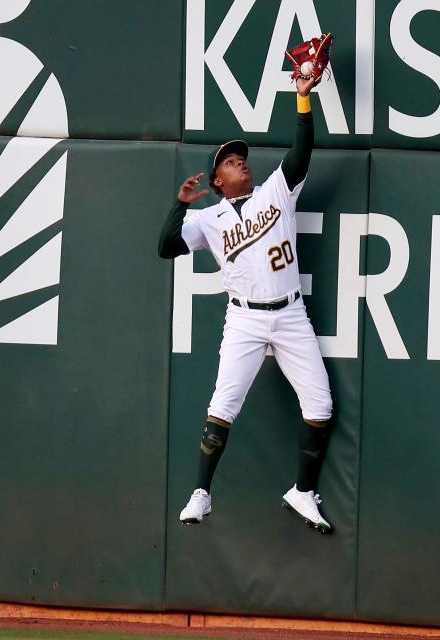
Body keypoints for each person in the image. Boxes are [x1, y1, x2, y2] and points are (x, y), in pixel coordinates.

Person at [157, 75, 334, 533]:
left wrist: (302, 98)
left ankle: (303, 491)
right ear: (217, 180)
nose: (242, 165)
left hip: (291, 313)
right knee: (223, 404)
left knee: (320, 406)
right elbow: (165, 247)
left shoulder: (276, 191)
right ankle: (201, 493)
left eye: (242, 160)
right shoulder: (207, 218)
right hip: (246, 319)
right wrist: (179, 205)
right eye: (232, 163)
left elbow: (301, 152)